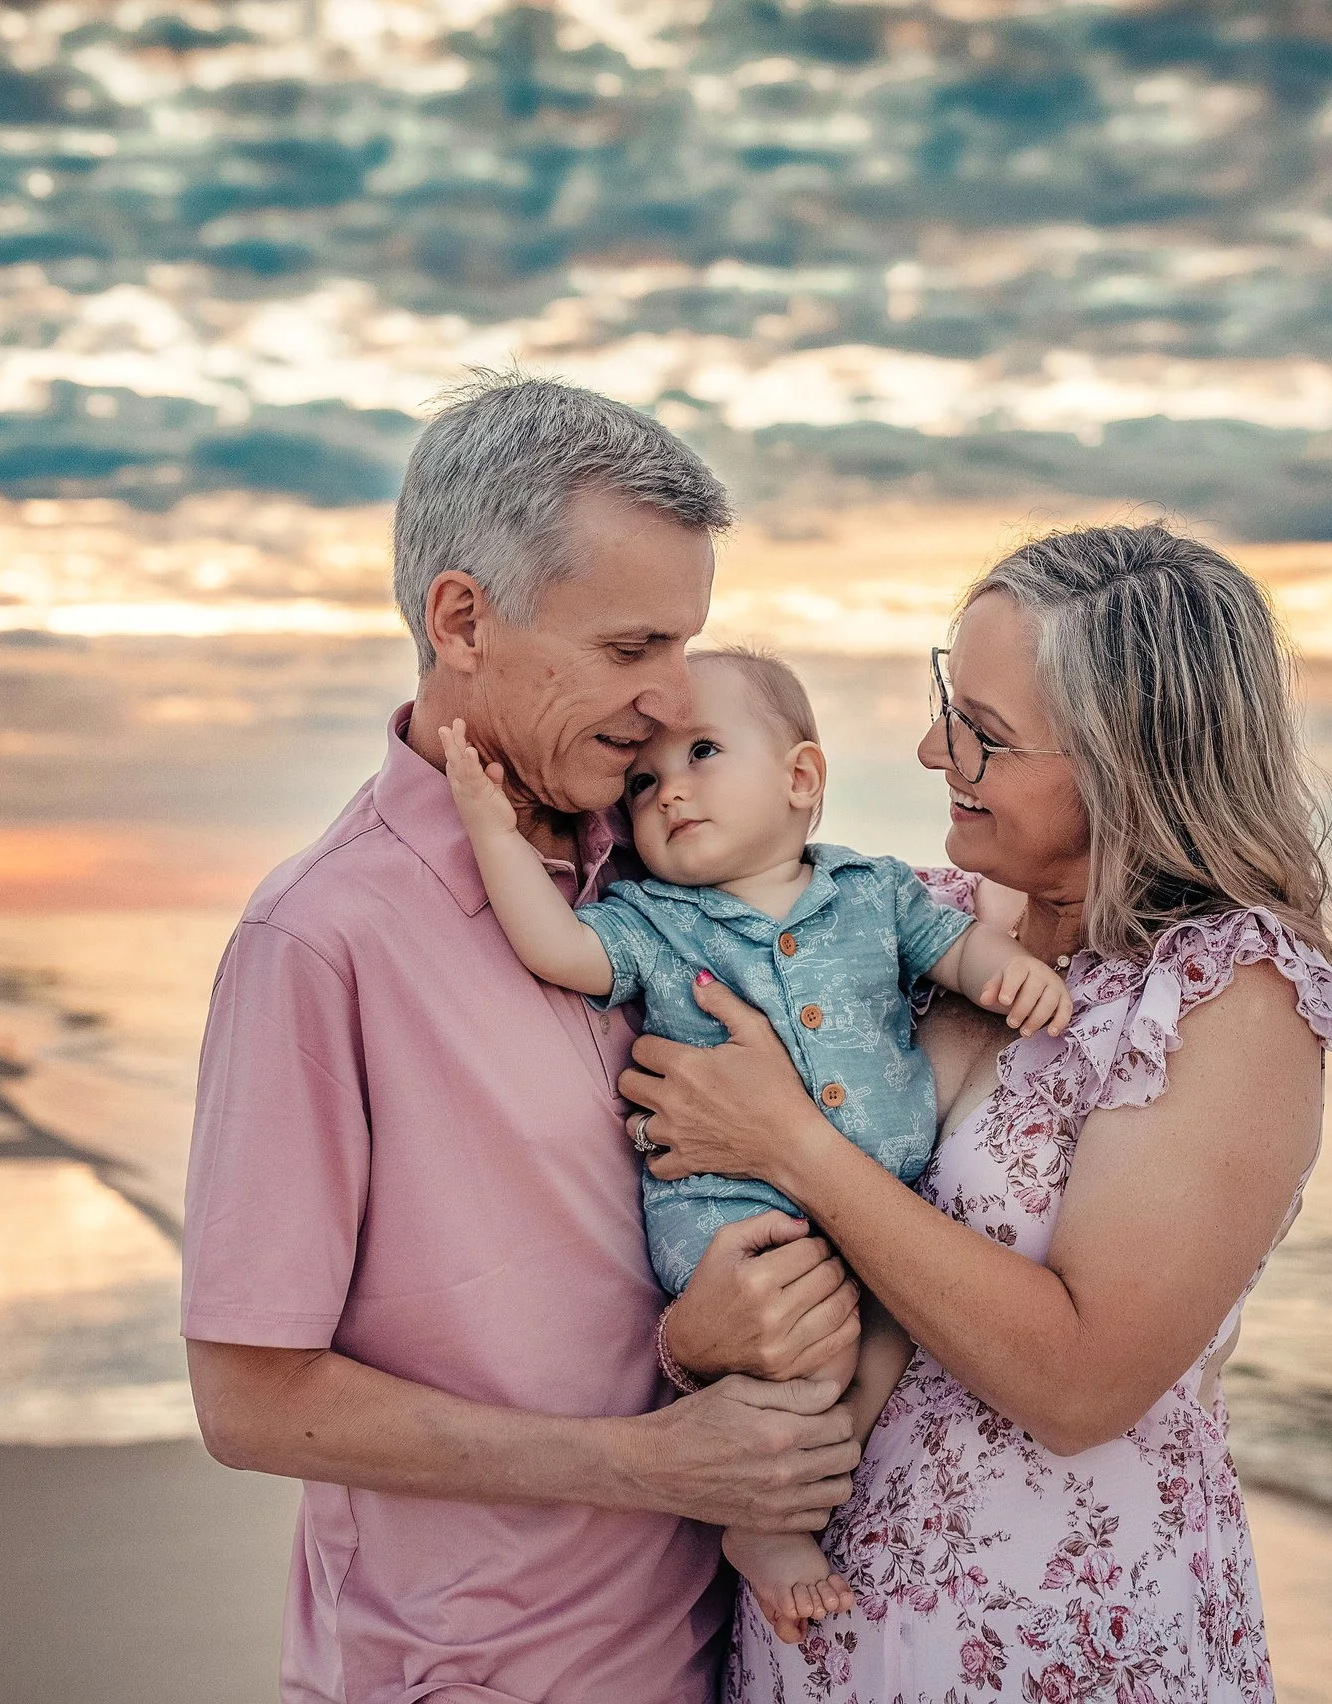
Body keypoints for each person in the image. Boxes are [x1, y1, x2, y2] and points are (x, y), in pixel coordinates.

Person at [180, 375, 866, 1704]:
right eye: (630, 650)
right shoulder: (320, 940)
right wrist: (650, 1464)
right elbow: (251, 1402)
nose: (671, 704)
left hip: (726, 1654)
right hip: (478, 1676)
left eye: (686, 649)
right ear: (462, 621)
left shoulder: (666, 882)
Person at [614, 523, 1332, 1700]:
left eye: (984, 732)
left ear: (1132, 760)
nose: (931, 750)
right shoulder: (905, 919)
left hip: (1057, 1643)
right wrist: (696, 1338)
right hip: (815, 1631)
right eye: (944, 699)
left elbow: (1081, 1383)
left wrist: (795, 1147)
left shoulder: (1230, 993)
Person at [434, 645, 1071, 1642]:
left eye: (701, 753)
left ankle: (793, 1500)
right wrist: (488, 830)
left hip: (874, 1204)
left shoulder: (875, 889)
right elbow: (555, 948)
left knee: (884, 1348)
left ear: (800, 779)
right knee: (807, 1359)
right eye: (642, 782)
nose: (668, 789)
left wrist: (1007, 975)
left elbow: (955, 952)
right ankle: (763, 1527)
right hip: (739, 1222)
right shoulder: (652, 918)